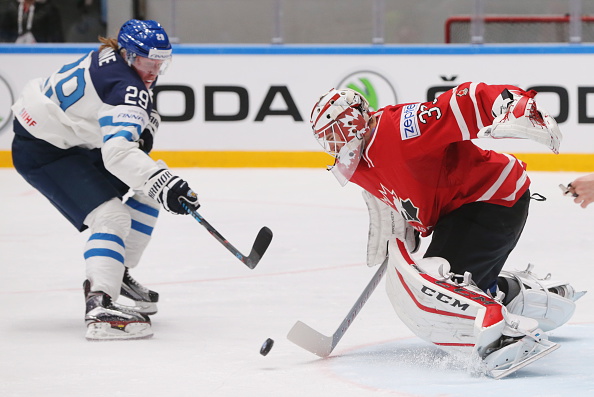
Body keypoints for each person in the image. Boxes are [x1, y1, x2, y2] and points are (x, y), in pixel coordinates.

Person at [309, 84, 584, 377]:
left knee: (439, 284)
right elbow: (386, 190)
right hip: (458, 213)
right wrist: (401, 226)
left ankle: (503, 336)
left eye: (334, 133)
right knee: (444, 284)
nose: (333, 145)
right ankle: (511, 294)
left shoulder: (400, 129)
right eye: (325, 139)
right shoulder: (357, 164)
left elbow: (466, 101)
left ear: (357, 120)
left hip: (492, 197)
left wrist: (514, 105)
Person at [11, 19, 200, 341]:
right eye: (146, 62)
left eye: (160, 63)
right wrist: (163, 180)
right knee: (111, 215)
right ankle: (100, 306)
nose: (153, 72)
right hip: (45, 152)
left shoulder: (109, 55)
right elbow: (117, 153)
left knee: (150, 186)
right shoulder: (127, 88)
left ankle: (115, 271)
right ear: (127, 55)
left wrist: (155, 176)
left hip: (65, 140)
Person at [0, 0, 64, 43]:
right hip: (13, 52)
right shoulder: (11, 8)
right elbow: (3, 33)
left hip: (41, 52)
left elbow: (56, 36)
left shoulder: (49, 9)